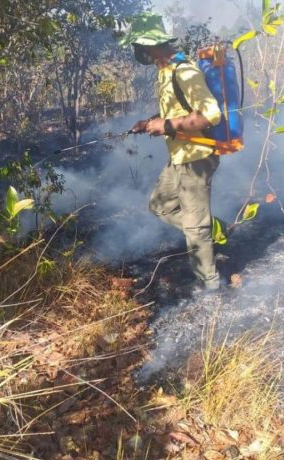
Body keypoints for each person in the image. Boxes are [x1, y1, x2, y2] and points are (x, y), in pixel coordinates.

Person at [120, 13, 223, 292]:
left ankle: (210, 286)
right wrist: (151, 122)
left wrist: (165, 125)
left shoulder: (184, 71)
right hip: (179, 156)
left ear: (149, 44)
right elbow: (177, 110)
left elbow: (210, 115)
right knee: (159, 205)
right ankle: (212, 231)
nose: (137, 52)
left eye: (138, 46)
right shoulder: (164, 70)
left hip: (196, 157)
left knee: (195, 226)